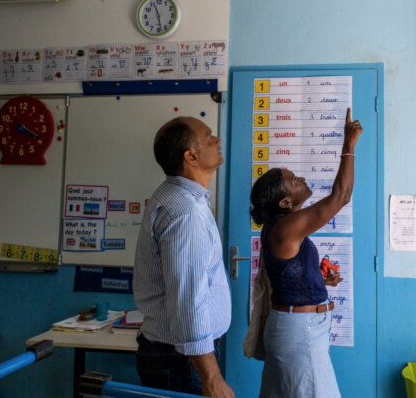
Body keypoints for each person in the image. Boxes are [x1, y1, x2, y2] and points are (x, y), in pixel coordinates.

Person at [249, 107, 362, 398]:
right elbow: (341, 196)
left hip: (297, 329)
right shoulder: (286, 229)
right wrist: (348, 145)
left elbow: (287, 274)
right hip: (301, 333)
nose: (300, 178)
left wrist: (317, 279)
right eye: (293, 180)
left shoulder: (281, 227)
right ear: (285, 202)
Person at [133, 116, 234, 398]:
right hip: (181, 360)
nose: (218, 140)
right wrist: (212, 378)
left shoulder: (183, 198)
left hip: (181, 356)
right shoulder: (185, 212)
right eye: (209, 137)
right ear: (190, 156)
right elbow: (188, 299)